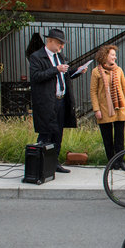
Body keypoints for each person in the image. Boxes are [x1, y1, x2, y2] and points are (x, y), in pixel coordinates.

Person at [29, 28, 86, 174]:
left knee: (58, 133)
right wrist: (56, 69)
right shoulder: (37, 57)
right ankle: (41, 165)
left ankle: (54, 163)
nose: (62, 46)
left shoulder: (59, 56)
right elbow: (36, 76)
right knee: (46, 133)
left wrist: (77, 71)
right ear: (50, 41)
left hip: (61, 101)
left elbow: (64, 75)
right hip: (47, 102)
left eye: (62, 43)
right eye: (60, 43)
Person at [90, 44, 125, 169]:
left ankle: (121, 161)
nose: (115, 57)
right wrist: (96, 109)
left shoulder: (119, 70)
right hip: (104, 109)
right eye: (112, 55)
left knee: (119, 137)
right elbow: (93, 92)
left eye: (115, 55)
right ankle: (111, 162)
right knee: (107, 138)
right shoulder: (96, 72)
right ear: (105, 56)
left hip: (120, 108)